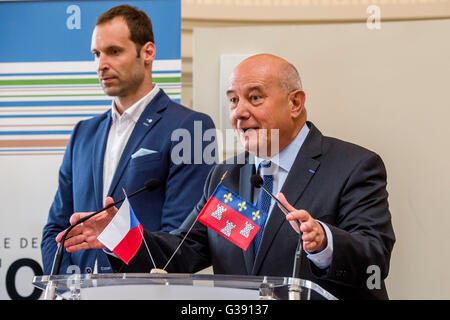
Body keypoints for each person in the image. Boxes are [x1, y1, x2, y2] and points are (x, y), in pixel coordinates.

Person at [57, 54, 395, 300]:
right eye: (232, 100)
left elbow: (375, 260)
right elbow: (182, 254)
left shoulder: (354, 165)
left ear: (295, 103)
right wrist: (120, 234)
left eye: (254, 97)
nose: (239, 112)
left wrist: (324, 242)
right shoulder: (225, 177)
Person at [41, 5, 216, 275]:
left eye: (114, 51)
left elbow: (181, 239)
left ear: (148, 52)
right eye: (96, 54)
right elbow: (56, 229)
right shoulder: (82, 133)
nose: (101, 64)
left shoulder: (192, 127)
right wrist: (67, 287)